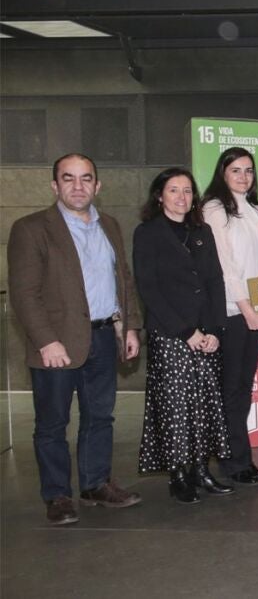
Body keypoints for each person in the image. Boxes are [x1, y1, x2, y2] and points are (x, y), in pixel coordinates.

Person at [9, 153, 144, 525]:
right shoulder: (31, 229)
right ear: (55, 185)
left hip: (102, 337)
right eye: (68, 178)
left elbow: (122, 279)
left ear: (97, 185)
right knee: (52, 424)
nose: (78, 186)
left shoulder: (109, 225)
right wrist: (46, 341)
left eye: (86, 178)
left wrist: (128, 326)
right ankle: (57, 496)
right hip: (57, 344)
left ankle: (95, 484)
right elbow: (24, 293)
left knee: (99, 417)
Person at [133, 168, 232, 504]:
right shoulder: (147, 233)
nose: (181, 197)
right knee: (176, 407)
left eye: (187, 190)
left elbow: (215, 281)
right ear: (159, 196)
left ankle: (202, 470)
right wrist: (186, 331)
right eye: (173, 190)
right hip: (171, 334)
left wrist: (215, 330)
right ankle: (178, 475)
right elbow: (149, 288)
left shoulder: (202, 231)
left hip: (207, 334)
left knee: (205, 404)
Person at [202, 147, 258, 486]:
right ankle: (231, 461)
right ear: (222, 173)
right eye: (236, 170)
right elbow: (224, 266)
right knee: (230, 389)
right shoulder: (214, 209)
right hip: (233, 311)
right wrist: (246, 309)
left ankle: (241, 458)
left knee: (241, 387)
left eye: (248, 170)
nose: (243, 176)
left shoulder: (257, 210)